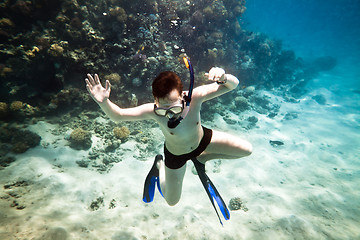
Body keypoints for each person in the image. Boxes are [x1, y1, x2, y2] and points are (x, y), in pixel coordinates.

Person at [85, 65, 252, 224]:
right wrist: (103, 102)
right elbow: (119, 116)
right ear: (155, 101)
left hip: (202, 141)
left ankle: (201, 158)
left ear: (182, 96)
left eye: (175, 109)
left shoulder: (195, 96)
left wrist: (224, 78)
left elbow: (232, 85)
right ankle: (159, 165)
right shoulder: (151, 111)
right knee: (172, 201)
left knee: (246, 150)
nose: (170, 116)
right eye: (163, 110)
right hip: (175, 155)